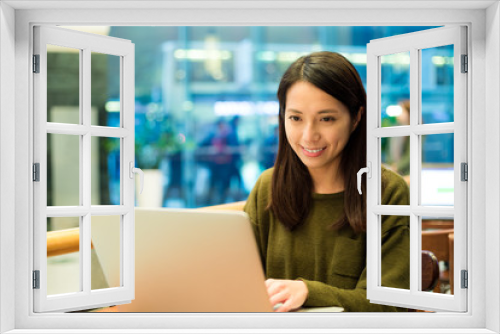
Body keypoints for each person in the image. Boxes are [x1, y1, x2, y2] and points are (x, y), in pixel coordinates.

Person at [243, 51, 410, 312]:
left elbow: (390, 305)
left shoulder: (386, 193)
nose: (309, 136)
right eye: (295, 118)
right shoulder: (267, 187)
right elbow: (238, 286)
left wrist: (309, 292)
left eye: (327, 119)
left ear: (356, 118)